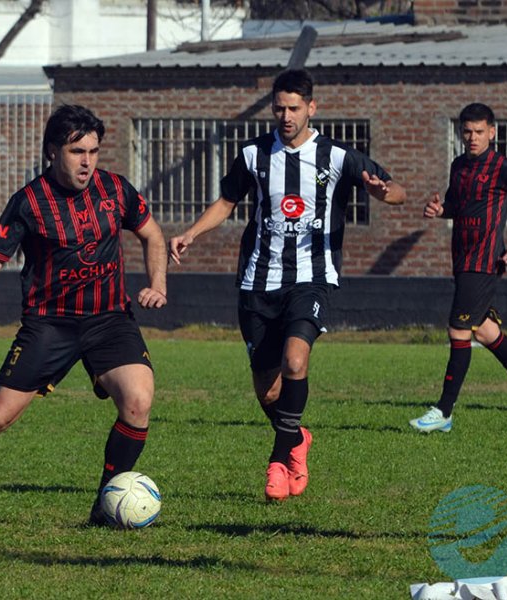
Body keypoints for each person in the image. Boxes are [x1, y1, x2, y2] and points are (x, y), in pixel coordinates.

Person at [0, 104, 168, 525]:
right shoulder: (29, 202)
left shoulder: (116, 189)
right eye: (77, 151)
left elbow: (152, 234)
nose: (87, 161)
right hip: (50, 326)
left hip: (109, 320)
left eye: (93, 151)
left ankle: (105, 505)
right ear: (52, 152)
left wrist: (157, 283)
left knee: (138, 401)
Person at [168, 68, 406, 502]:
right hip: (258, 281)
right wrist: (191, 233)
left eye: (294, 108)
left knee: (296, 361)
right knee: (268, 389)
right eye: (279, 108)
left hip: (311, 278)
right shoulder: (254, 154)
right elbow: (227, 201)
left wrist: (380, 192)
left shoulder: (337, 156)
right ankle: (297, 438)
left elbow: (398, 192)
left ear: (312, 108)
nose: (286, 116)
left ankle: (278, 462)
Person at [408, 102, 507, 435]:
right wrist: (440, 210)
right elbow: (457, 206)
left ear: (492, 132)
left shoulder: (505, 167)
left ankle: (444, 411)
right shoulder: (459, 165)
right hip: (462, 259)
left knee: (458, 330)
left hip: (484, 261)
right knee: (486, 331)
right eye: (467, 132)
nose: (473, 137)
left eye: (479, 131)